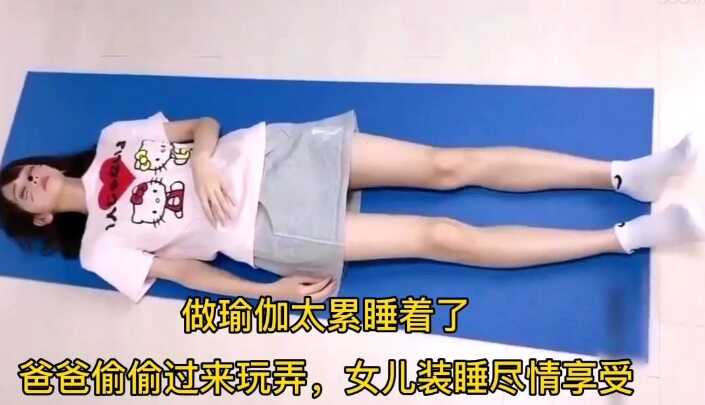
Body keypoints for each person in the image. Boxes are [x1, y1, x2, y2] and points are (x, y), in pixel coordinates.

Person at [1, 110, 703, 304]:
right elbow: (184, 271)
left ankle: (622, 174)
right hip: (263, 230)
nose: (30, 180)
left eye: (25, 170)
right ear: (38, 217)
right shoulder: (99, 249)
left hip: (271, 152)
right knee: (441, 233)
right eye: (20, 192)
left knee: (446, 165)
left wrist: (205, 158)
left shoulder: (114, 137)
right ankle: (624, 236)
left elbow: (200, 125)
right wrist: (266, 293)